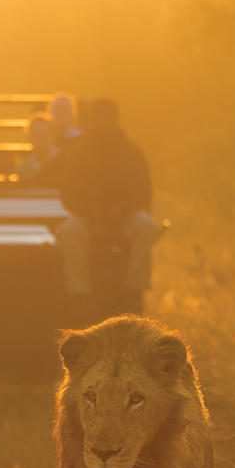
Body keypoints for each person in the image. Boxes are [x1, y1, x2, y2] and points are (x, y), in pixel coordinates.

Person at [58, 98, 160, 314]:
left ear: (115, 120)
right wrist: (90, 212)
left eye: (107, 118)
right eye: (99, 119)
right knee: (68, 231)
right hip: (88, 217)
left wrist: (122, 211)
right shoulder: (79, 153)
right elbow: (67, 192)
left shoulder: (131, 152)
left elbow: (143, 190)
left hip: (124, 216)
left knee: (147, 226)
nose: (103, 124)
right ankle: (79, 293)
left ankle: (134, 289)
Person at [16, 112, 63, 187]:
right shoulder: (23, 168)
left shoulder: (64, 161)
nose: (41, 138)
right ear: (30, 137)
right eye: (36, 134)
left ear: (52, 135)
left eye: (44, 134)